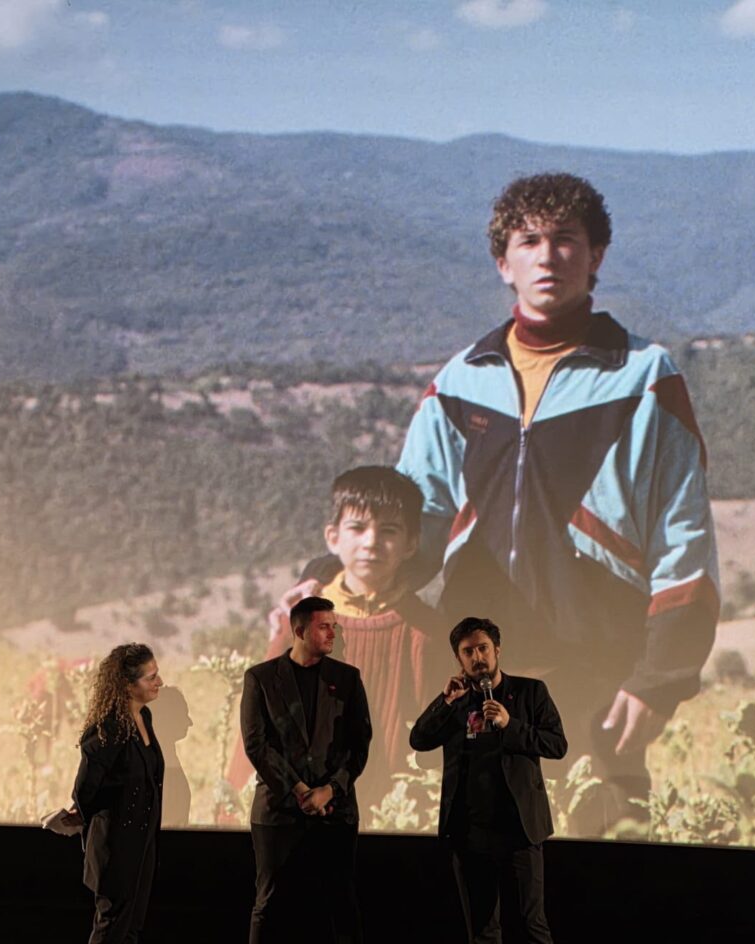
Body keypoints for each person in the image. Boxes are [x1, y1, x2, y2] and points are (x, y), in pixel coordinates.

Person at [291, 173, 720, 833]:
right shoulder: (462, 381)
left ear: (596, 255)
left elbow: (684, 540)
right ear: (503, 262)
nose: (547, 257)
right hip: (471, 670)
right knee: (464, 851)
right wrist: (327, 578)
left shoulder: (643, 378)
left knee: (598, 845)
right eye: (528, 241)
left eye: (566, 239)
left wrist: (658, 680)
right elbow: (407, 521)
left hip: (598, 665)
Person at [228, 466, 445, 819]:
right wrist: (235, 803)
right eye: (357, 528)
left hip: (391, 810)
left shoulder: (425, 630)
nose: (371, 541)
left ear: (411, 544)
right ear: (332, 537)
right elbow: (260, 724)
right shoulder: (299, 623)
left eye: (389, 530)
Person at [409, 616, 576, 944]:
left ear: (497, 650)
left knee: (531, 925)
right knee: (482, 924)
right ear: (458, 658)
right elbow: (418, 739)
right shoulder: (456, 701)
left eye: (482, 648)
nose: (477, 657)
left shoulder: (530, 692)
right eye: (468, 651)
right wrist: (444, 702)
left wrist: (510, 724)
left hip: (519, 831)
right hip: (469, 831)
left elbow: (557, 744)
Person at [223, 596, 376, 944]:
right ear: (300, 630)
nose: (333, 633)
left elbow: (359, 744)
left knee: (344, 902)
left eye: (334, 626)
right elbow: (256, 744)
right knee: (268, 903)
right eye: (325, 626)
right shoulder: (261, 678)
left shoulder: (347, 678)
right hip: (278, 809)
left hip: (335, 808)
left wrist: (331, 788)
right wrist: (298, 789)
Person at [70, 642, 166, 944]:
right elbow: (84, 792)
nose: (159, 682)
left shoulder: (143, 717)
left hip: (141, 843)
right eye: (151, 676)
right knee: (109, 931)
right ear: (127, 684)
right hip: (114, 845)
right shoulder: (107, 730)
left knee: (129, 931)